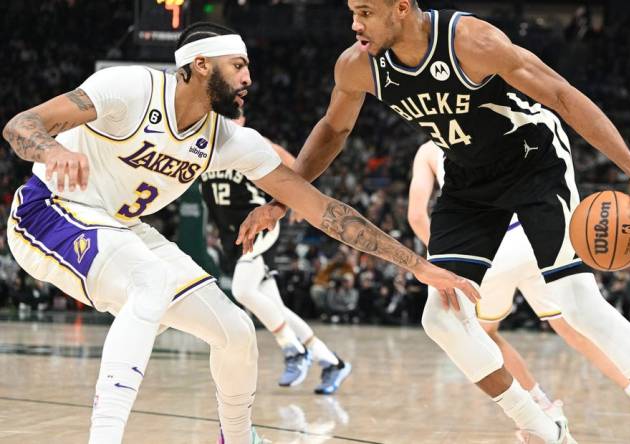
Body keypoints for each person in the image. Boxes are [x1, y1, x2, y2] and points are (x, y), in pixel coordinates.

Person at [238, 3, 630, 442]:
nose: (355, 24)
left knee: (577, 303)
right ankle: (542, 426)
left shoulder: (471, 41)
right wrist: (282, 200)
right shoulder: (358, 65)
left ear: (402, 9)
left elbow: (560, 93)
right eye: (352, 12)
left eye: (365, 12)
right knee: (441, 317)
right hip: (469, 177)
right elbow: (333, 128)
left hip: (534, 159)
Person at [1, 21, 478, 444]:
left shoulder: (228, 139)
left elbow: (324, 210)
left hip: (122, 227)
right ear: (201, 64)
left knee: (235, 331)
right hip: (48, 211)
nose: (249, 78)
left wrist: (419, 266)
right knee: (149, 280)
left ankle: (237, 437)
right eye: (239, 65)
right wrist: (49, 150)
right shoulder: (129, 87)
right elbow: (21, 125)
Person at [408, 140, 630, 442]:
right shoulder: (487, 122)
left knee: (485, 333)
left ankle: (544, 409)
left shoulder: (428, 150)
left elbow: (416, 215)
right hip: (531, 234)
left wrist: (448, 263)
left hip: (486, 247)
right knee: (575, 328)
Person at [200, 110, 352, 394]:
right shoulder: (201, 149)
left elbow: (297, 166)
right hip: (231, 237)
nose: (231, 121)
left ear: (244, 120)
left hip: (260, 228)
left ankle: (293, 350)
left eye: (236, 117)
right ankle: (332, 362)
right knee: (274, 306)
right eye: (224, 117)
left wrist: (296, 201)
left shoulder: (254, 142)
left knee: (243, 291)